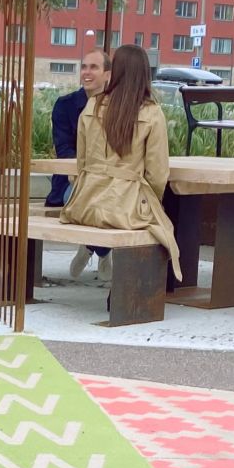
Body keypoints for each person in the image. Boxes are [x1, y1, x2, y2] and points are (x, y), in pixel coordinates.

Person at [60, 43, 182, 286]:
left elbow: (81, 162)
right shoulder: (151, 112)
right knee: (167, 219)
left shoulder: (92, 105)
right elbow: (157, 173)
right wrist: (152, 201)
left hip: (86, 201)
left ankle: (92, 249)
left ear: (114, 71)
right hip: (125, 205)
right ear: (145, 74)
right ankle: (148, 287)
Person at [46, 48, 113, 280]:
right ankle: (102, 250)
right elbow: (64, 151)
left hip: (108, 180)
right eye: (84, 67)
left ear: (107, 74)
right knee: (86, 199)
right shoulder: (64, 106)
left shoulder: (117, 107)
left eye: (94, 67)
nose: (86, 72)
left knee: (113, 201)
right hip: (72, 180)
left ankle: (89, 246)